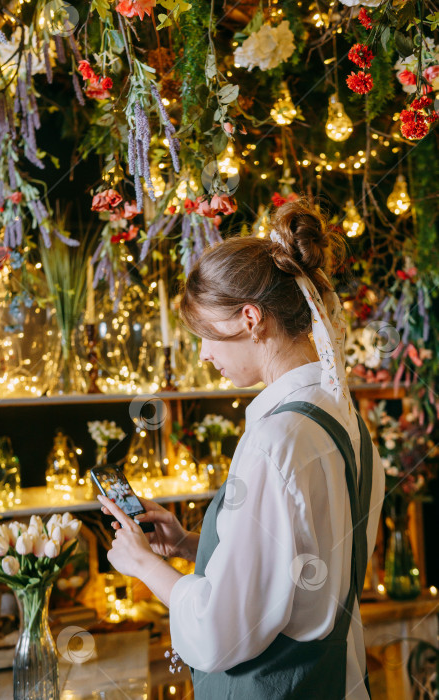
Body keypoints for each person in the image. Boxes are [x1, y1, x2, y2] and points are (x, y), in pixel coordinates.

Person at [98, 199, 385, 700]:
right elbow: (306, 565)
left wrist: (146, 566)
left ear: (251, 318)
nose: (206, 355)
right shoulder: (346, 422)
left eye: (207, 335)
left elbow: (218, 634)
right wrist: (190, 544)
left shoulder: (276, 441)